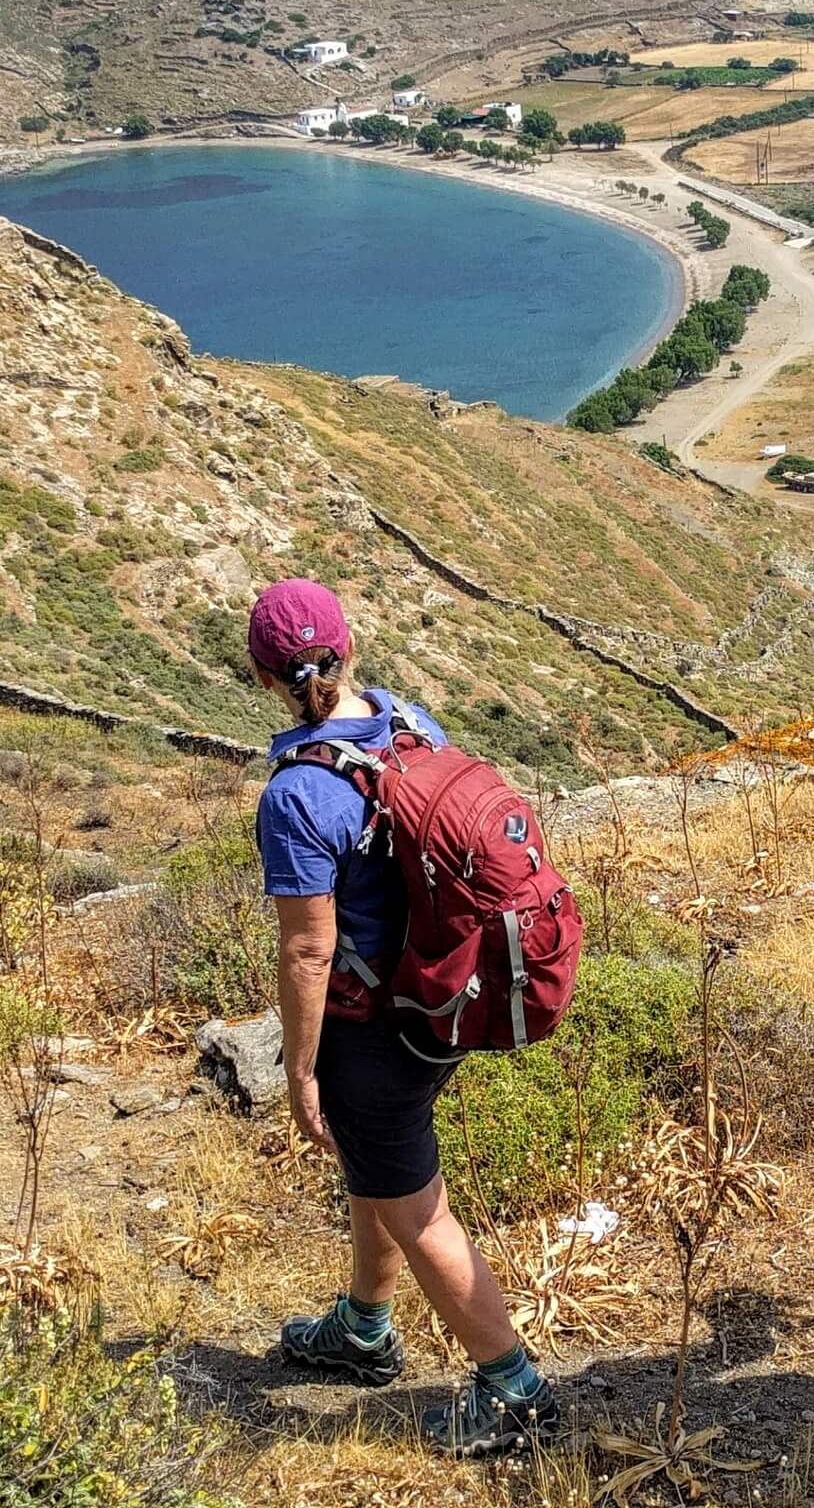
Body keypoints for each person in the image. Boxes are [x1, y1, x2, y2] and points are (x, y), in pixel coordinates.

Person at [247, 578, 559, 1457]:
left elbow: (310, 951)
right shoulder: (408, 720)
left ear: (263, 677)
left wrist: (300, 1068)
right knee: (379, 1176)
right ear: (350, 651)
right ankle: (363, 1328)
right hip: (443, 997)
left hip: (371, 1029)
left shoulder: (297, 797)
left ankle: (513, 1390)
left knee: (414, 1205)